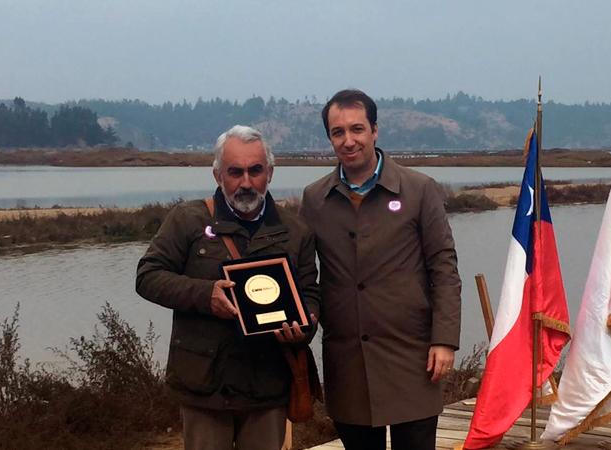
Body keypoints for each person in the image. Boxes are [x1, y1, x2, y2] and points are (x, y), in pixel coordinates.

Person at [136, 125, 319, 450]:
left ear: (270, 173)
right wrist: (206, 295)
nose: (246, 182)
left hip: (268, 385)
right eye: (235, 172)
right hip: (205, 387)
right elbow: (148, 276)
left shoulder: (297, 232)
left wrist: (303, 326)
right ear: (218, 174)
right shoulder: (186, 220)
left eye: (255, 171)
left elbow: (310, 296)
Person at [301, 89, 461, 450]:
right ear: (329, 138)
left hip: (413, 357)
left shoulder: (419, 190)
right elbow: (303, 274)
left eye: (357, 129)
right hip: (348, 361)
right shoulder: (315, 198)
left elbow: (444, 268)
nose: (348, 140)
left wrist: (444, 339)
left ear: (375, 130)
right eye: (338, 132)